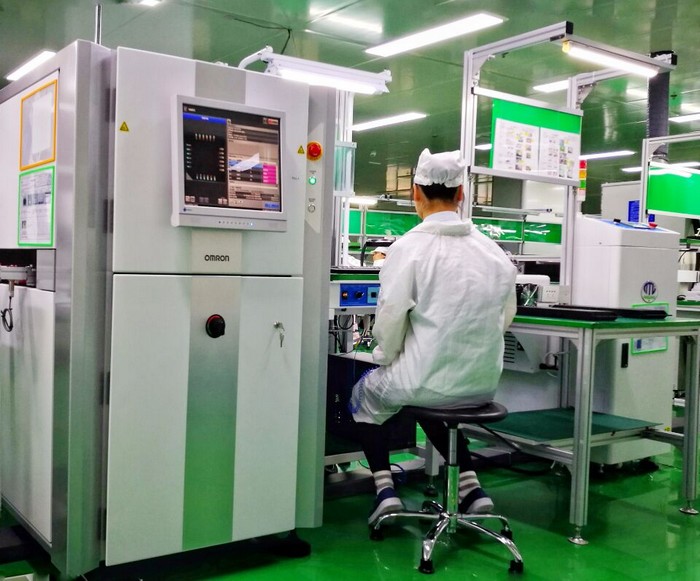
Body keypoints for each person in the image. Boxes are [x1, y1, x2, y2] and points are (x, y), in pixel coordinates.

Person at [349, 148, 517, 526]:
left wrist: (384, 357)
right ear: (461, 194)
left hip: (424, 383)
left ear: (415, 194)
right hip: (482, 384)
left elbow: (390, 322)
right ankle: (472, 489)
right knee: (433, 393)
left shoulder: (408, 249)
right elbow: (505, 317)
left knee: (365, 395)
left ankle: (385, 490)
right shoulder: (494, 252)